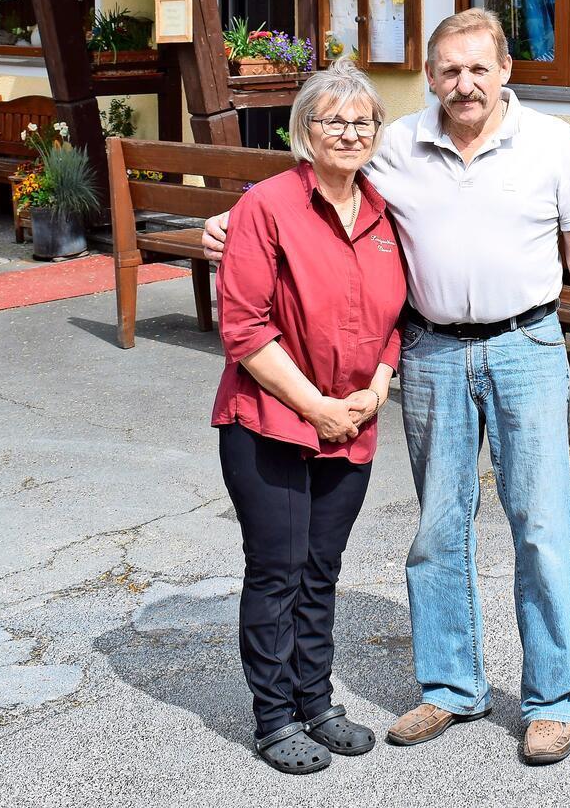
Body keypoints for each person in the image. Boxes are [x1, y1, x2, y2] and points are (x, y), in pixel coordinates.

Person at [205, 8, 570, 766]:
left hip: (527, 345)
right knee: (438, 531)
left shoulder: (552, 141)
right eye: (450, 70)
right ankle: (452, 687)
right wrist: (226, 221)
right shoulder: (397, 143)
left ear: (506, 72)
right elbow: (313, 176)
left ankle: (551, 699)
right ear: (429, 77)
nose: (465, 83)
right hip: (431, 353)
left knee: (541, 529)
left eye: (479, 68)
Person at [212, 63, 406, 776]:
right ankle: (272, 719)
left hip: (352, 424)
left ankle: (314, 702)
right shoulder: (267, 206)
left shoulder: (386, 214)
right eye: (334, 121)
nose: (350, 133)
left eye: (363, 122)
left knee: (322, 570)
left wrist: (378, 388)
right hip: (268, 421)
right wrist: (316, 406)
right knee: (277, 572)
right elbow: (245, 328)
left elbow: (396, 321)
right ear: (304, 132)